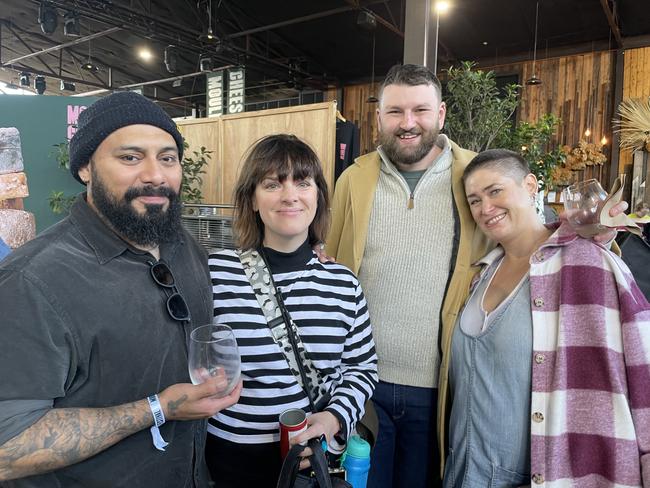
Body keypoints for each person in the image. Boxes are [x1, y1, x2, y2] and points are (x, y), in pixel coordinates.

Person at [0, 91, 241, 487]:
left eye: (168, 158)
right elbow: (7, 446)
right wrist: (159, 408)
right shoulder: (33, 281)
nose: (155, 175)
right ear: (85, 169)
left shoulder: (184, 247)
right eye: (130, 157)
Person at [443, 149, 650, 487]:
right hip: (465, 472)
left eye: (495, 191)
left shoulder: (586, 261)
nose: (485, 208)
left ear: (529, 186)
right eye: (474, 200)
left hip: (548, 475)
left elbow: (642, 366)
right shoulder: (479, 275)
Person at [327, 63, 487, 487]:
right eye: (395, 111)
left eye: (420, 110)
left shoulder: (474, 177)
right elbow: (335, 268)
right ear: (378, 117)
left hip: (438, 386)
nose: (408, 123)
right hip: (362, 385)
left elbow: (521, 245)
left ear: (442, 114)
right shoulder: (353, 180)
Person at [205, 134, 378, 487]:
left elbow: (362, 368)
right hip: (228, 459)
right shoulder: (216, 273)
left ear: (318, 197)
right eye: (272, 184)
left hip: (309, 462)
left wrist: (333, 418)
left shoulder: (343, 283)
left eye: (303, 182)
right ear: (252, 199)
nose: (289, 195)